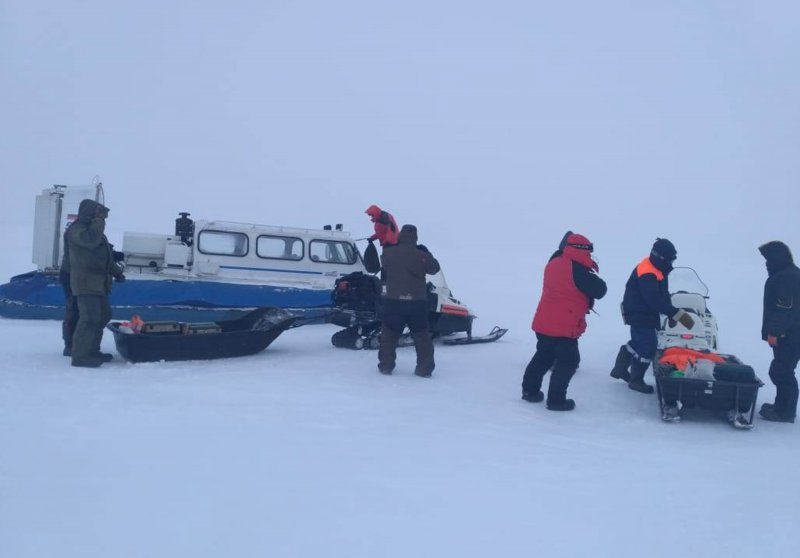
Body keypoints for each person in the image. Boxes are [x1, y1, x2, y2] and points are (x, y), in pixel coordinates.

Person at [521, 233, 607, 411]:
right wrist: (589, 269)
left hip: (544, 322)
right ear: (581, 250)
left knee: (543, 356)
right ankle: (556, 400)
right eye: (589, 251)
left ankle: (530, 391)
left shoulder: (554, 262)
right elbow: (600, 289)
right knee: (568, 362)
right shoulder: (577, 270)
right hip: (564, 326)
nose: (590, 255)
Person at [610, 238, 695, 395]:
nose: (672, 262)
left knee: (639, 341)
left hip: (643, 311)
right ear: (661, 257)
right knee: (648, 346)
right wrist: (677, 314)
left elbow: (663, 294)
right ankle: (636, 380)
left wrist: (671, 312)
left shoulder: (659, 268)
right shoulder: (647, 272)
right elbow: (654, 300)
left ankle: (620, 369)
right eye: (670, 259)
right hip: (639, 312)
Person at [67, 199, 125, 368]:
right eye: (98, 212)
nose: (102, 217)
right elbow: (90, 241)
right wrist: (98, 221)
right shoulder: (78, 230)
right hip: (85, 283)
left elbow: (105, 258)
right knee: (89, 318)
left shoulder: (95, 230)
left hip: (99, 284)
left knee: (102, 316)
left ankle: (92, 351)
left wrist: (117, 272)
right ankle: (80, 356)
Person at [377, 224, 440, 377]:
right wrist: (426, 252)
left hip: (394, 302)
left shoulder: (389, 253)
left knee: (389, 336)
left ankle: (386, 366)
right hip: (416, 304)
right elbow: (434, 269)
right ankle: (424, 369)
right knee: (422, 337)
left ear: (400, 236)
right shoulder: (422, 255)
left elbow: (383, 264)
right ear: (416, 238)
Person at [757, 241, 800, 423]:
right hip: (789, 334)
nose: (766, 264)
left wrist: (775, 331)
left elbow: (786, 307)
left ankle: (786, 412)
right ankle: (780, 406)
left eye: (768, 260)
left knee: (781, 371)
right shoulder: (786, 274)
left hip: (791, 335)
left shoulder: (788, 277)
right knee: (782, 369)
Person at [59, 220, 79, 357]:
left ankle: (72, 344)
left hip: (72, 274)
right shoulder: (77, 230)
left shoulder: (75, 228)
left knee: (75, 309)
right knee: (73, 309)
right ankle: (70, 345)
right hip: (71, 275)